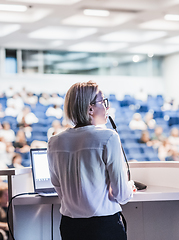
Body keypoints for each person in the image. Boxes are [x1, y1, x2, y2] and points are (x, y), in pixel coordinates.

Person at [47, 81, 133, 240]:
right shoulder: (108, 137)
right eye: (103, 102)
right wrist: (130, 186)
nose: (107, 108)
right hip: (104, 227)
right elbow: (122, 195)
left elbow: (58, 185)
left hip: (70, 226)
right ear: (90, 108)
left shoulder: (54, 142)